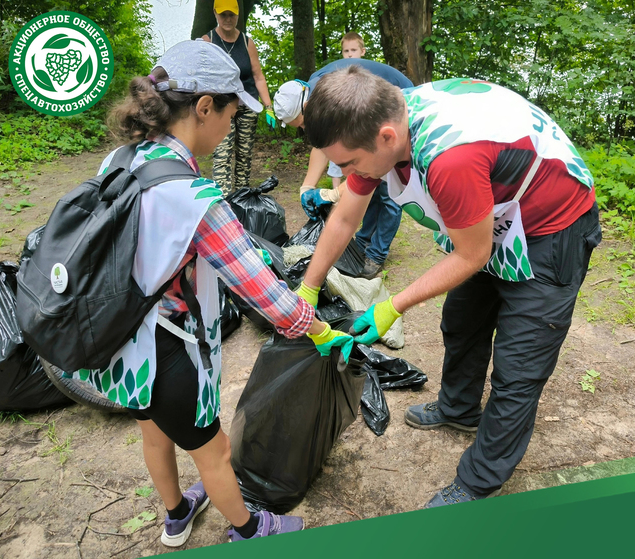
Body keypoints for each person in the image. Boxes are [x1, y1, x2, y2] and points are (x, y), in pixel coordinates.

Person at [296, 67, 602, 507]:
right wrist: (308, 287)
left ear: (385, 137)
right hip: (495, 216)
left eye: (347, 164)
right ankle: (459, 410)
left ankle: (479, 482)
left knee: (519, 367)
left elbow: (472, 255)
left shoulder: (450, 157)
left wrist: (391, 306)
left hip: (551, 226)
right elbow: (345, 216)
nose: (342, 174)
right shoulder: (380, 127)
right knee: (462, 320)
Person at [89, 40, 352, 547]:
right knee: (214, 452)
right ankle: (250, 531)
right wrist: (321, 332)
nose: (233, 124)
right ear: (204, 107)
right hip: (171, 348)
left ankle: (175, 514)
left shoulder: (119, 159)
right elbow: (268, 296)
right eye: (232, 111)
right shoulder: (196, 200)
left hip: (121, 339)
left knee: (153, 432)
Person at [273, 51, 411, 279]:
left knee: (388, 188)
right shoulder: (313, 94)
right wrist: (307, 187)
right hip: (370, 115)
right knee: (370, 185)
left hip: (397, 102)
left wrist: (333, 193)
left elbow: (338, 148)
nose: (304, 130)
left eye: (303, 124)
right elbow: (322, 144)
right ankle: (364, 243)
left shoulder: (328, 97)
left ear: (306, 107)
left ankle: (376, 254)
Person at [202, 0, 277, 195]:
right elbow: (203, 77)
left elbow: (258, 76)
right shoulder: (208, 40)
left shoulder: (246, 42)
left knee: (244, 155)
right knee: (222, 154)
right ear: (215, 14)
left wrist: (268, 107)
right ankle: (223, 200)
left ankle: (242, 197)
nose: (227, 19)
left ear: (237, 15)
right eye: (223, 14)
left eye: (231, 15)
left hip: (248, 105)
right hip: (222, 106)